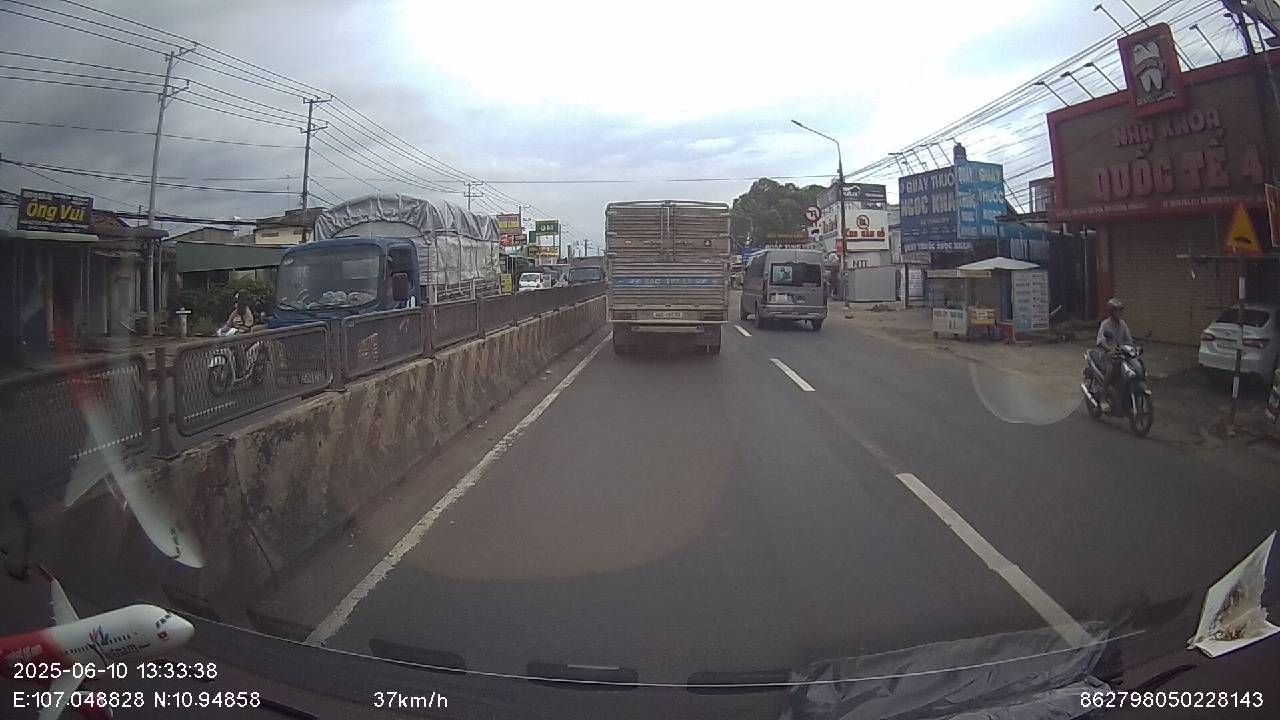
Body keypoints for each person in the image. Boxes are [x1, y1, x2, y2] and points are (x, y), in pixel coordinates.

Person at [1096, 297, 1134, 411]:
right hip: (1107, 357)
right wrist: (1109, 349)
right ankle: (1103, 399)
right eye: (1117, 310)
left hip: (1121, 356)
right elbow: (1101, 342)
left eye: (1120, 310)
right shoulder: (1105, 324)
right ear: (1111, 312)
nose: (1120, 313)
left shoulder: (1122, 324)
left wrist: (1132, 348)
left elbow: (1129, 340)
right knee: (1110, 370)